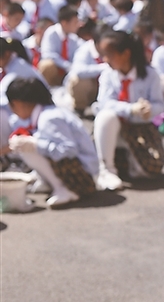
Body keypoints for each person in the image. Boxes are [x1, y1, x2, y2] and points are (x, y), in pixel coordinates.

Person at [6, 77, 98, 207]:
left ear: (19, 103)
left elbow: (69, 150)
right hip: (80, 168)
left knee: (27, 146)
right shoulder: (44, 114)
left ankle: (65, 188)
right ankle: (47, 180)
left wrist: (36, 144)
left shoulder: (49, 118)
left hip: (83, 174)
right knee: (25, 143)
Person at [93, 30, 164, 191]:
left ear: (126, 54)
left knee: (148, 170)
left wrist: (149, 109)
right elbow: (104, 103)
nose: (105, 60)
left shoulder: (149, 74)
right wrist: (130, 109)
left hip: (139, 130)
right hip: (114, 130)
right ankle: (107, 170)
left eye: (110, 55)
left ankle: (124, 161)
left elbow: (160, 104)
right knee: (105, 117)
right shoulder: (107, 75)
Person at [0, 37, 47, 154]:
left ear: (6, 54)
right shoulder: (10, 65)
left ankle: (9, 155)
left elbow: (4, 101)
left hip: (35, 119)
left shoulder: (17, 70)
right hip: (25, 114)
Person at [66, 25, 109, 115]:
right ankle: (79, 108)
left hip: (108, 87)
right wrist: (103, 67)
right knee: (77, 81)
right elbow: (78, 71)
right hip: (92, 88)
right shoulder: (84, 50)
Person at [38, 5, 82, 87]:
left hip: (68, 73)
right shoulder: (51, 33)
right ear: (65, 23)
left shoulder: (74, 38)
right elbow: (48, 54)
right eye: (75, 22)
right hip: (56, 71)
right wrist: (66, 65)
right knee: (46, 65)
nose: (78, 25)